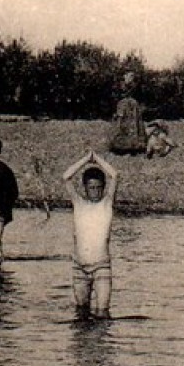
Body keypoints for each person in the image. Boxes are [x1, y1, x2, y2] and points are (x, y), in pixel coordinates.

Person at [62, 151, 120, 319]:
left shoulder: (106, 204)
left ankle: (103, 343)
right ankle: (83, 346)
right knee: (81, 313)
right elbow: (66, 177)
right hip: (79, 267)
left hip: (101, 266)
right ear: (85, 189)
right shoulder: (78, 204)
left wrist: (97, 159)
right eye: (91, 188)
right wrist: (86, 159)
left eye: (98, 188)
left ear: (103, 188)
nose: (95, 191)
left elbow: (115, 175)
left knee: (103, 312)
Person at [110, 74, 147, 155]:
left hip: (128, 104)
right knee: (127, 124)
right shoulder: (126, 89)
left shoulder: (131, 89)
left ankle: (129, 147)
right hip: (127, 104)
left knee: (130, 124)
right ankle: (126, 146)